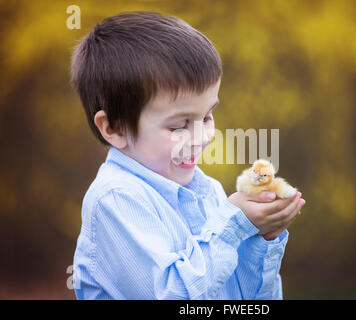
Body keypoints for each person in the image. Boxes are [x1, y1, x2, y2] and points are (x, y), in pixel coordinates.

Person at [71, 11, 306, 299]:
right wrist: (232, 225)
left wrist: (260, 239)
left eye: (207, 117)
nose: (202, 137)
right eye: (180, 125)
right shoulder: (116, 200)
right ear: (114, 128)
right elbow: (175, 296)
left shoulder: (208, 192)